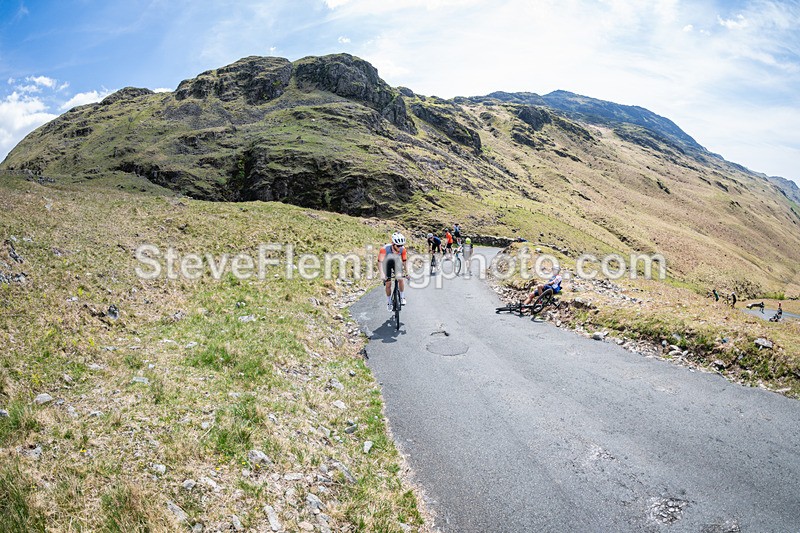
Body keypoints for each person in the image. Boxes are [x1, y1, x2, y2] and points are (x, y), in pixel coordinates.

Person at [378, 233, 408, 311]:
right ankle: (389, 302)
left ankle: (402, 297)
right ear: (393, 244)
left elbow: (404, 261)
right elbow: (380, 262)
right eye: (398, 246)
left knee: (400, 279)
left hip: (396, 262)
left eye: (401, 245)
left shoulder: (403, 249)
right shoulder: (384, 249)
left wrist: (407, 273)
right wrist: (382, 274)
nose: (400, 247)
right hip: (386, 263)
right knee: (388, 284)